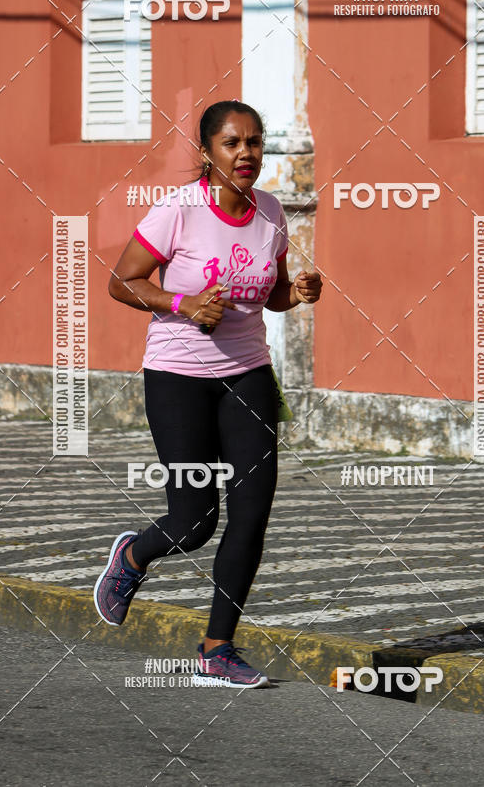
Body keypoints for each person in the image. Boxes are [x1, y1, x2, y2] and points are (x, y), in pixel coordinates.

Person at [93, 100, 322, 688]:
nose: (246, 153)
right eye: (231, 143)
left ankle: (217, 649)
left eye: (254, 142)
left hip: (248, 375)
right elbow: (122, 281)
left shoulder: (271, 211)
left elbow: (270, 294)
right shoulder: (179, 209)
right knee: (194, 521)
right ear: (207, 152)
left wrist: (297, 293)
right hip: (178, 377)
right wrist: (183, 304)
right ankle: (133, 555)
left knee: (251, 514)